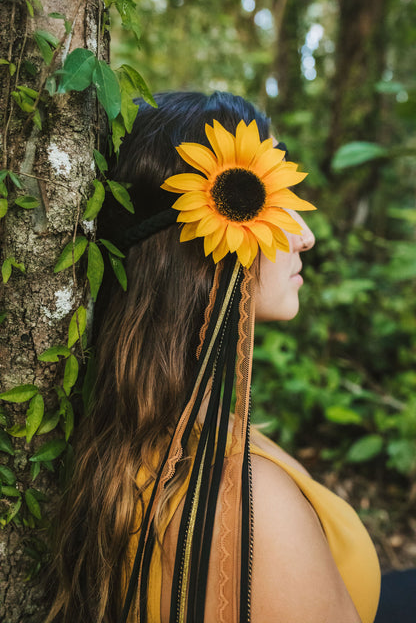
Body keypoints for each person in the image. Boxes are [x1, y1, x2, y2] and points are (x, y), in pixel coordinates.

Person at [46, 91, 381, 623]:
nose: (307, 236)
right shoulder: (248, 510)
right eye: (278, 204)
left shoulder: (145, 429)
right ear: (211, 238)